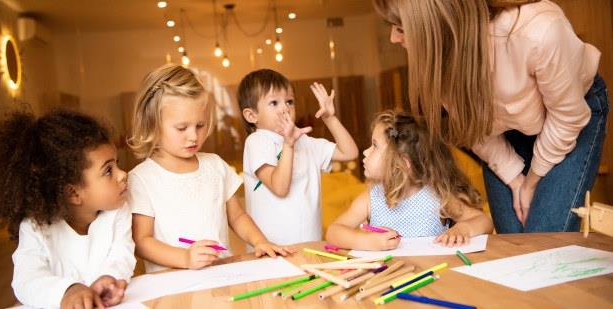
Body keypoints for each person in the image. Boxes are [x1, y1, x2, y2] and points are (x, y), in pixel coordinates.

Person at [374, 0, 608, 232]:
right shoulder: (440, 59)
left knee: (542, 237)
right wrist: (515, 180)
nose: (393, 39)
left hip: (566, 118)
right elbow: (471, 125)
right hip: (506, 130)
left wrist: (531, 182)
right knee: (512, 238)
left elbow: (567, 117)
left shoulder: (539, 31)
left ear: (436, 23)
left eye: (401, 29)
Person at [128, 64, 292, 273]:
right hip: (173, 285)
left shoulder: (215, 165)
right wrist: (185, 257)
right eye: (181, 128)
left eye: (200, 125)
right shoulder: (142, 179)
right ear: (152, 124)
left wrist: (260, 241)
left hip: (222, 275)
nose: (193, 136)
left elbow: (238, 217)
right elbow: (142, 241)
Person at [0, 110, 135, 309]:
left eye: (117, 164)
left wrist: (109, 277)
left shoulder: (118, 211)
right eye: (108, 170)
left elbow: (122, 254)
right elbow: (26, 280)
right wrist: (68, 291)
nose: (122, 174)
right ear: (74, 194)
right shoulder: (36, 228)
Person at [326, 110, 493, 250]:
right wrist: (366, 241)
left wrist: (463, 228)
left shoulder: (438, 196)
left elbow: (484, 220)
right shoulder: (370, 199)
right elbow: (333, 232)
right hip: (387, 279)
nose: (365, 152)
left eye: (375, 146)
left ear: (402, 163)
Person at [237, 69, 359, 245]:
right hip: (272, 250)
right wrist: (288, 144)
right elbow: (280, 187)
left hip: (309, 243)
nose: (285, 108)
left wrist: (330, 118)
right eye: (274, 103)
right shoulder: (257, 142)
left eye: (289, 101)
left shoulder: (305, 142)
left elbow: (350, 153)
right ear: (251, 115)